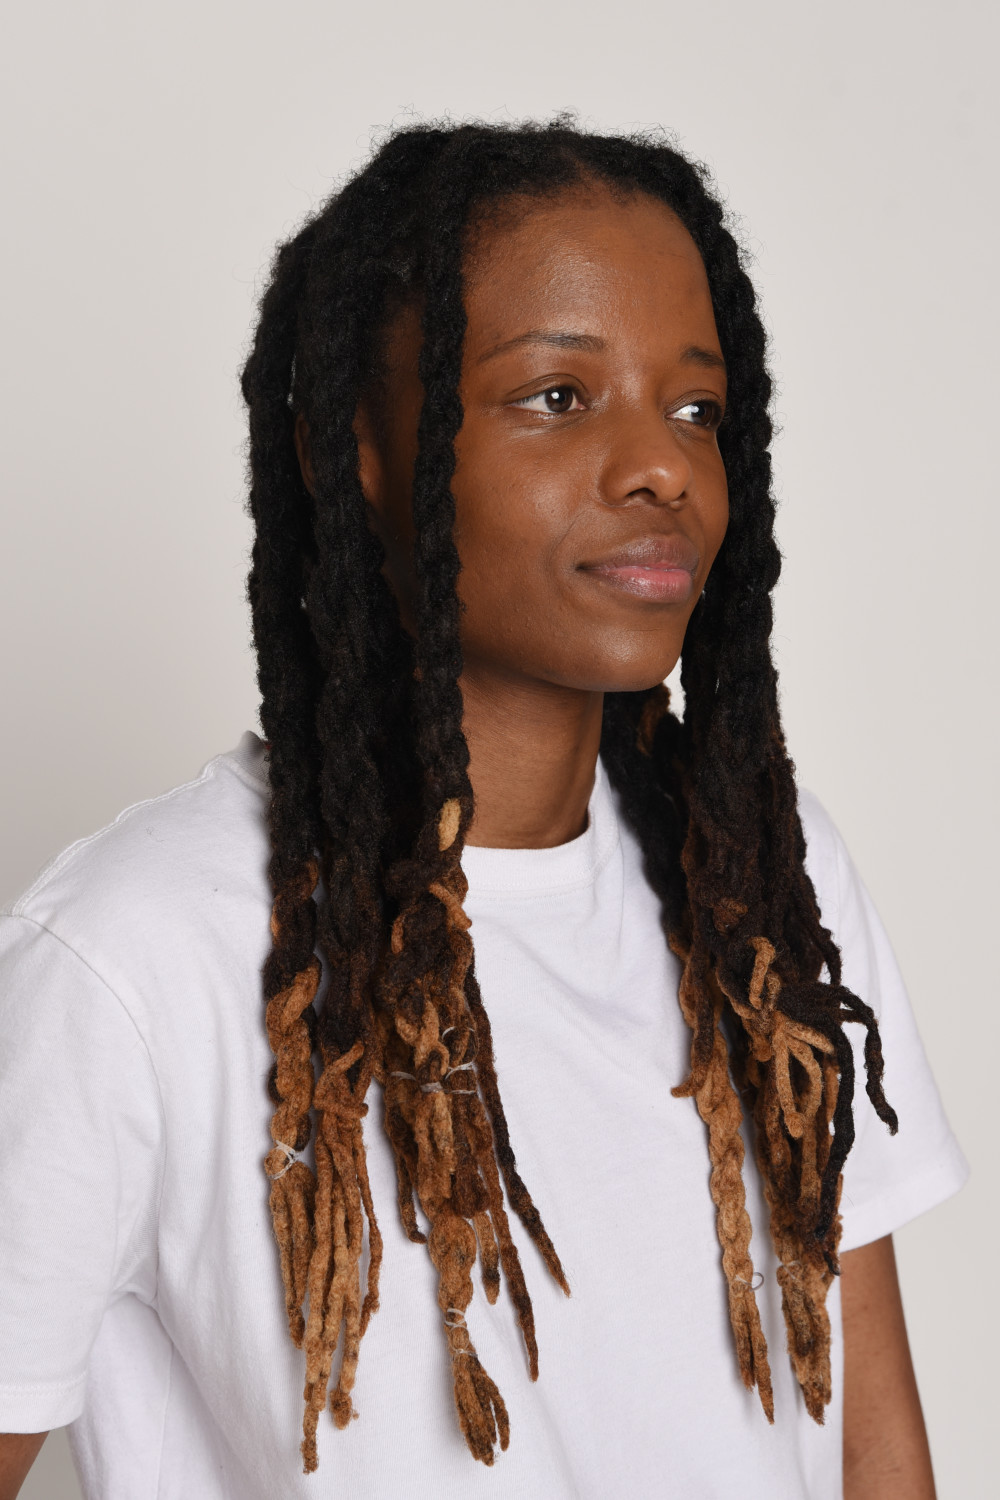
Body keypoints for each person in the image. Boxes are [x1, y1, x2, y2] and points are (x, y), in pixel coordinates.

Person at [0, 121, 968, 1500]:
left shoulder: (758, 879)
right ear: (354, 450)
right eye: (557, 396)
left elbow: (875, 1448)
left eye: (697, 410)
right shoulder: (131, 956)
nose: (661, 468)